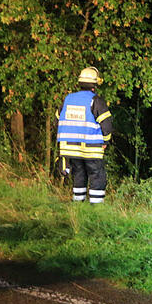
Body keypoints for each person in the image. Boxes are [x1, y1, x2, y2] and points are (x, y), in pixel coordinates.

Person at [56, 66, 112, 204]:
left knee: (79, 175)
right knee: (97, 175)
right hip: (91, 148)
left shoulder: (68, 99)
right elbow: (107, 124)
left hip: (70, 149)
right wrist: (105, 142)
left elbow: (57, 119)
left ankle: (78, 205)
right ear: (95, 84)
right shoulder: (96, 101)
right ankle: (96, 207)